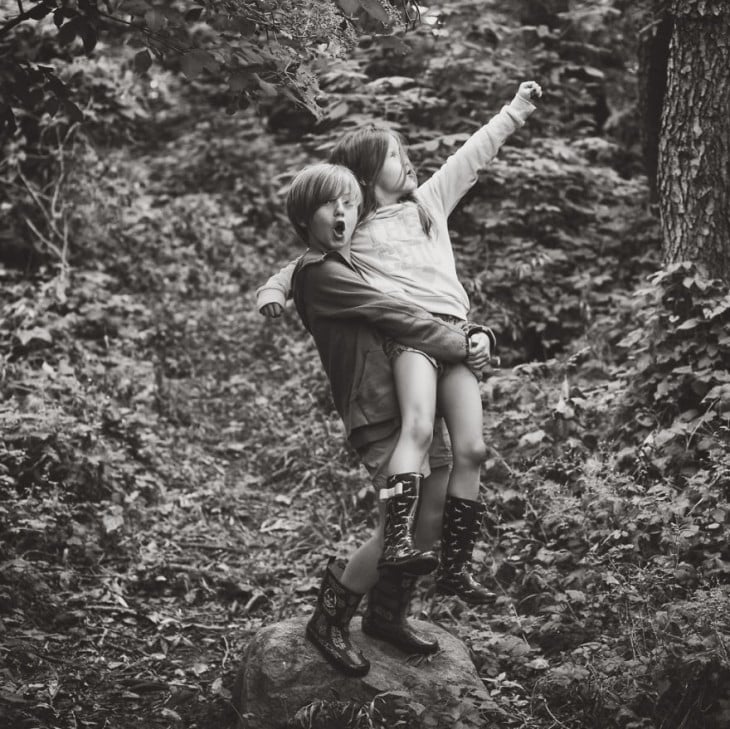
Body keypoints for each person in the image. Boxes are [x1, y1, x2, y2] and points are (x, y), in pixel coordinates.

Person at [258, 81, 542, 606]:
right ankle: (392, 549)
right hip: (409, 340)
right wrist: (272, 290)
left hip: (454, 335)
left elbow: (472, 154)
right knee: (416, 429)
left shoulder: (429, 203)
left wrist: (516, 110)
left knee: (473, 448)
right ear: (367, 173)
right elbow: (299, 265)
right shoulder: (355, 230)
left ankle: (451, 569)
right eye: (394, 156)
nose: (406, 162)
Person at [282, 162, 494, 676]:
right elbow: (396, 315)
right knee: (390, 530)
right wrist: (463, 344)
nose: (343, 212)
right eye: (329, 205)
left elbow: (416, 295)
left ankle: (386, 616)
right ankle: (330, 619)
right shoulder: (322, 273)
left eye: (349, 203)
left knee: (431, 514)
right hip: (374, 412)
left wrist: (474, 332)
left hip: (407, 406)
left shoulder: (352, 261)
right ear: (304, 217)